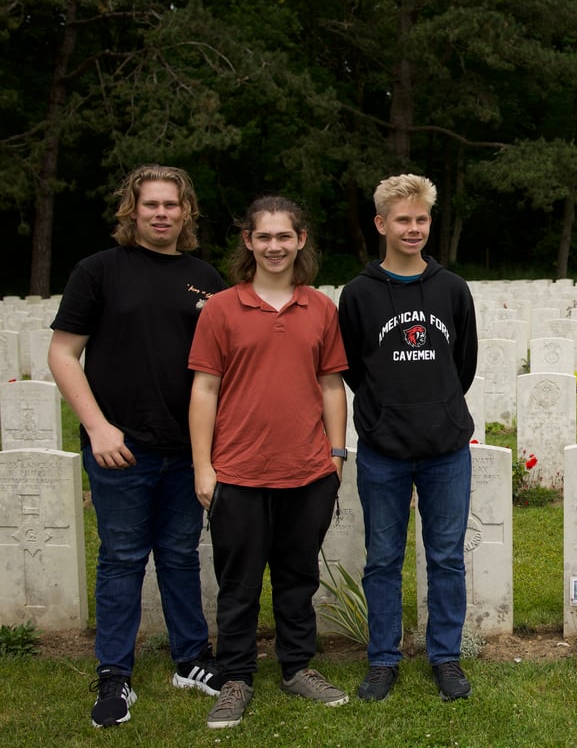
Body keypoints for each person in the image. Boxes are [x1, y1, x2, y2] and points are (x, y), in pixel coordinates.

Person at [47, 164, 226, 727]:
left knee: (179, 555)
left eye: (172, 205)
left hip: (185, 448)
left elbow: (222, 369)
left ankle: (191, 659)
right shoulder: (99, 271)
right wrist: (98, 427)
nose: (161, 214)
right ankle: (114, 676)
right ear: (132, 210)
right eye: (150, 204)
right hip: (119, 446)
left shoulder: (207, 278)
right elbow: (62, 353)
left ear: (187, 212)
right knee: (122, 559)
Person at [188, 197, 350, 728]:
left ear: (301, 240)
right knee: (237, 582)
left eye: (285, 236)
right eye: (264, 237)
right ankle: (235, 678)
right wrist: (203, 467)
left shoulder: (320, 309)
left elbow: (331, 384)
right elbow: (205, 389)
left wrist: (336, 453)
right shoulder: (221, 308)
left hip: (307, 471)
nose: (275, 246)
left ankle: (297, 667)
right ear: (248, 241)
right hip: (237, 470)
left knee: (297, 577)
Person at [338, 174, 478, 702]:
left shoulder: (451, 289)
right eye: (403, 219)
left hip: (445, 449)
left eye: (421, 219)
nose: (413, 228)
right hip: (383, 450)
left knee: (445, 557)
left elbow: (461, 365)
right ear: (381, 224)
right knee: (382, 558)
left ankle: (446, 657)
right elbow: (354, 368)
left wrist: (437, 408)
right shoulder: (357, 295)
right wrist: (383, 416)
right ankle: (382, 659)